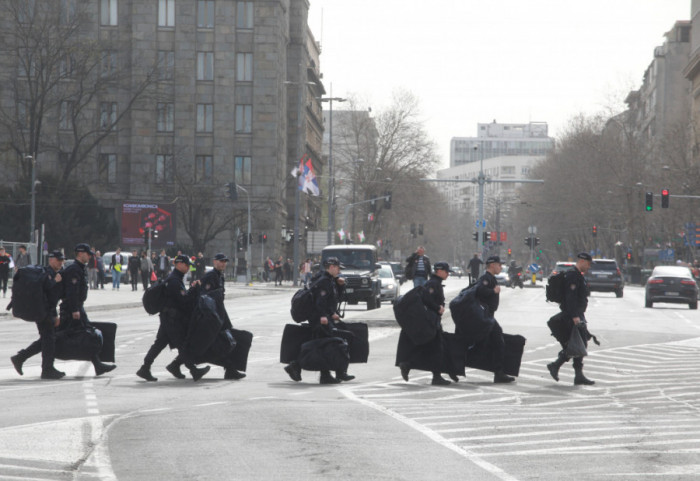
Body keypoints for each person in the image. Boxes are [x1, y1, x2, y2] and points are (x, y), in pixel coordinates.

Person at [136, 255, 210, 382]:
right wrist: (193, 289)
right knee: (182, 343)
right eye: (186, 265)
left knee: (159, 344)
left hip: (169, 318)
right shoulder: (174, 280)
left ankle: (145, 368)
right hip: (172, 319)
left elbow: (181, 298)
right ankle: (193, 370)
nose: (188, 268)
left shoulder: (175, 278)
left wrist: (191, 290)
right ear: (179, 264)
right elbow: (183, 300)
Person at [284, 257, 354, 384]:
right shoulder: (324, 281)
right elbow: (320, 301)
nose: (339, 271)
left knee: (323, 345)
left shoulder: (328, 279)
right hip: (320, 319)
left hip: (322, 317)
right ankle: (298, 365)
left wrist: (340, 285)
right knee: (326, 344)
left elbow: (332, 299)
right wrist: (324, 316)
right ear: (332, 267)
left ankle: (326, 374)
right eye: (338, 268)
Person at [59, 243, 117, 376]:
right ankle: (23, 357)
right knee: (55, 336)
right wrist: (74, 310)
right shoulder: (74, 269)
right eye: (88, 254)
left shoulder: (80, 268)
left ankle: (98, 365)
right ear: (80, 254)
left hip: (77, 307)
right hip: (72, 308)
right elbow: (72, 292)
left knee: (87, 334)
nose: (90, 256)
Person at [10, 251, 65, 379]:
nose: (60, 263)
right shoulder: (50, 275)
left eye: (62, 260)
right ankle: (47, 369)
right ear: (51, 260)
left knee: (46, 339)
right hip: (44, 312)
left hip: (41, 311)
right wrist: (54, 315)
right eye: (58, 260)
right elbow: (51, 297)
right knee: (49, 340)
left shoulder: (43, 273)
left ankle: (20, 358)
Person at [397, 262, 452, 386]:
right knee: (437, 348)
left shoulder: (435, 282)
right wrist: (438, 307)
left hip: (431, 320)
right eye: (446, 271)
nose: (448, 274)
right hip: (430, 321)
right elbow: (426, 298)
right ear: (439, 271)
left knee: (429, 347)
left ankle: (408, 364)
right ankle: (436, 377)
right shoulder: (433, 283)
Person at [195, 253, 248, 380]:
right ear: (214, 262)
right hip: (213, 315)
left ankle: (230, 369)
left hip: (219, 313)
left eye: (225, 261)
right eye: (220, 261)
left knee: (223, 341)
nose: (223, 263)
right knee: (224, 341)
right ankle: (230, 370)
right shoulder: (210, 276)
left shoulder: (219, 276)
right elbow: (205, 297)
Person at [546, 252, 596, 386]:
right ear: (582, 261)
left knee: (579, 343)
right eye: (588, 264)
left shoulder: (577, 275)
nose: (589, 267)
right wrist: (575, 316)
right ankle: (557, 366)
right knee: (578, 344)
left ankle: (572, 373)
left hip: (577, 314)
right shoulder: (573, 276)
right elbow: (571, 297)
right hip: (572, 315)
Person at [475, 256, 515, 383]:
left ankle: (499, 372)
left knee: (494, 342)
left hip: (488, 316)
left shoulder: (491, 278)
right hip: (486, 316)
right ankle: (498, 373)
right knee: (498, 342)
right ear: (492, 265)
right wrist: (493, 291)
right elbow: (479, 290)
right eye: (499, 265)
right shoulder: (486, 278)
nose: (501, 267)